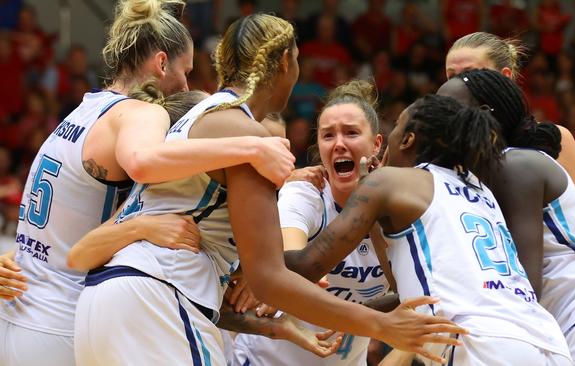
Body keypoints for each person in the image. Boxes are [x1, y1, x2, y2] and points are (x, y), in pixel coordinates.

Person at [72, 13, 466, 365]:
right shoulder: (246, 135)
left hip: (104, 300)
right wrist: (380, 325)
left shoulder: (199, 113)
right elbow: (269, 281)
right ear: (285, 62)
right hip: (158, 298)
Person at [0, 1, 296, 365]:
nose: (187, 85)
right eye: (185, 72)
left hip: (21, 314)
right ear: (160, 64)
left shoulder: (82, 111)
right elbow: (143, 163)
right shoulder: (141, 113)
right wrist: (253, 145)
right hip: (62, 321)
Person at [285, 94, 572, 365]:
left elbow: (305, 266)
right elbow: (404, 287)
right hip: (547, 340)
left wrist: (246, 262)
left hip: (480, 344)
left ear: (408, 139)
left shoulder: (390, 181)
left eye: (396, 128)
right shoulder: (477, 187)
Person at [437, 68, 575, 365]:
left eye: (447, 109)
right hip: (564, 322)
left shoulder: (516, 165)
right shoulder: (472, 178)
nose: (437, 120)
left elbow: (526, 286)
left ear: (483, 114)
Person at [233, 80, 392, 366]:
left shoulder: (397, 207)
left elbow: (421, 301)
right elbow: (290, 260)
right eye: (328, 135)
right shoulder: (305, 191)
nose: (339, 143)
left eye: (352, 133)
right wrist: (292, 276)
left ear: (377, 144)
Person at [444, 31, 575, 224]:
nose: (459, 85)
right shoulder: (445, 149)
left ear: (505, 77)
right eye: (451, 77)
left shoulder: (555, 139)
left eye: (470, 74)